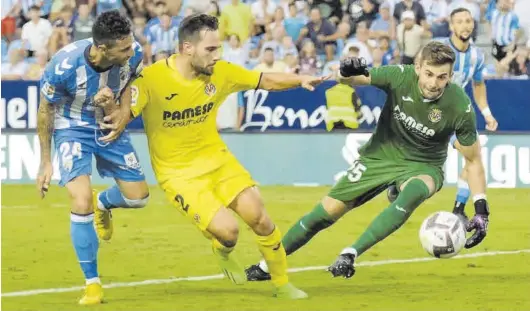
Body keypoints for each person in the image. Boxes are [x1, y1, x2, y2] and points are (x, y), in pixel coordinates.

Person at [103, 13, 326, 299]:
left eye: (218, 48)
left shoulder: (220, 72)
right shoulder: (151, 79)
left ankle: (282, 284)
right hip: (178, 174)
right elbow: (122, 117)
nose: (217, 56)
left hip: (218, 160)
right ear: (187, 48)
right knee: (228, 232)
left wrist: (300, 79)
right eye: (210, 49)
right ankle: (222, 249)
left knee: (260, 216)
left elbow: (264, 80)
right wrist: (110, 104)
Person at [246, 41, 490, 281]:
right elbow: (353, 79)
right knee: (324, 213)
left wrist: (481, 210)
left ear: (450, 76)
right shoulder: (399, 76)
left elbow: (473, 160)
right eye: (429, 74)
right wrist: (346, 71)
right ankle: (267, 266)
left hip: (424, 165)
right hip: (379, 156)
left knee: (414, 191)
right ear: (417, 67)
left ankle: (350, 253)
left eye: (441, 77)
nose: (434, 83)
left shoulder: (460, 105)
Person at [36, 10, 150, 305]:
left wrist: (123, 113)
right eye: (123, 48)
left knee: (138, 197)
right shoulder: (63, 65)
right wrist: (46, 161)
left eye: (131, 44)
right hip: (72, 128)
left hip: (108, 123)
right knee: (80, 199)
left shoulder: (133, 53)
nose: (131, 50)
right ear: (101, 48)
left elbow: (129, 82)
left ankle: (104, 203)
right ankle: (93, 284)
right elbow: (46, 110)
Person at [387, 8, 498, 221]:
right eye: (459, 21)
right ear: (451, 26)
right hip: (425, 112)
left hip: (455, 116)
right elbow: (415, 74)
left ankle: (459, 209)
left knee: (472, 156)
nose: (465, 25)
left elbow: (478, 85)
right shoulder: (438, 48)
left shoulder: (477, 55)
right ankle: (397, 179)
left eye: (468, 21)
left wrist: (487, 113)